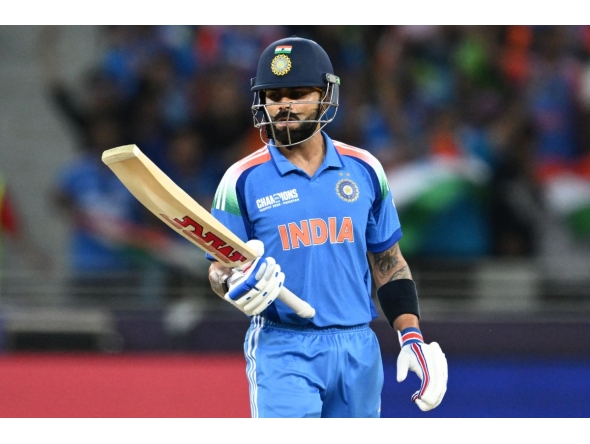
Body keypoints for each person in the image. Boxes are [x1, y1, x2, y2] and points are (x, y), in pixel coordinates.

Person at [207, 36, 448, 418]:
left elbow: (389, 261)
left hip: (358, 348)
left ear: (324, 95)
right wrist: (231, 284)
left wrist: (411, 334)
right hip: (283, 348)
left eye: (297, 93)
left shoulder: (365, 169)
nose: (283, 105)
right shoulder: (240, 181)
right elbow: (220, 266)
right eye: (273, 95)